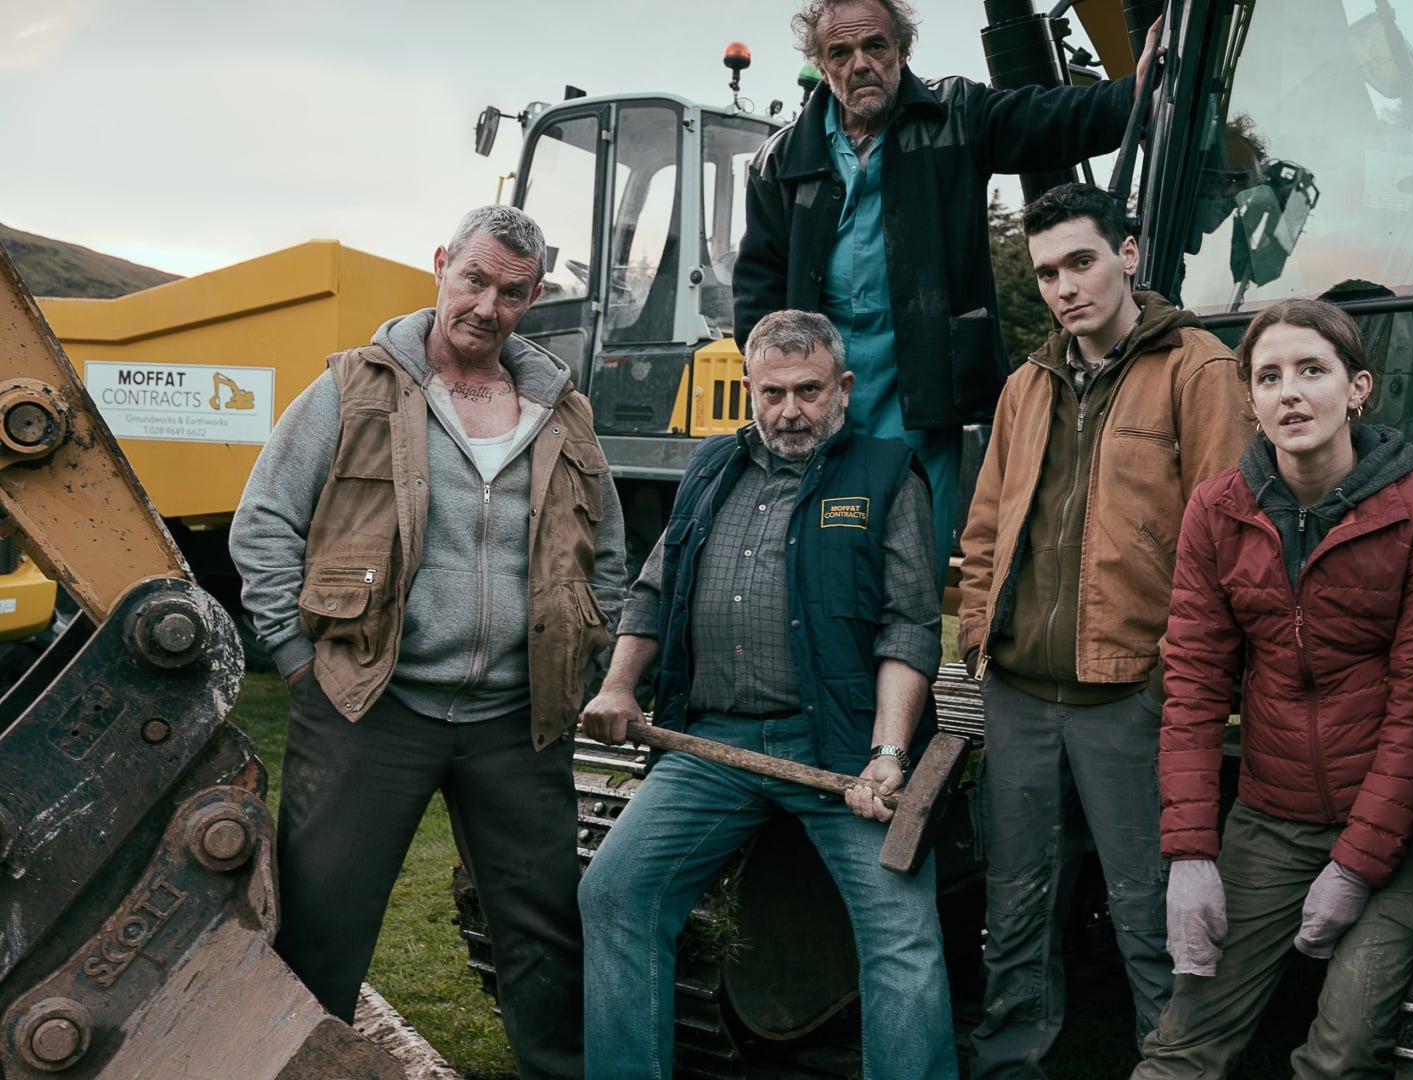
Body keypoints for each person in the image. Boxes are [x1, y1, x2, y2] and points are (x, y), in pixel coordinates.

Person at [230, 205, 626, 1080]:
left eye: (512, 293)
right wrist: (296, 661)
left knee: (546, 932)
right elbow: (263, 525)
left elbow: (606, 556)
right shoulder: (353, 388)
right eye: (474, 280)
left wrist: (581, 665)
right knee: (321, 927)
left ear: (533, 299)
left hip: (518, 720)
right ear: (443, 265)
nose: (487, 306)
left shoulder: (562, 412)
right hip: (371, 705)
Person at [574, 309, 953, 1080]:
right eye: (772, 393)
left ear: (843, 388)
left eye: (809, 390)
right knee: (615, 892)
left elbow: (909, 626)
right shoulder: (712, 465)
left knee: (901, 935)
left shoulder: (886, 474)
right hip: (711, 747)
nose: (790, 411)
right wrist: (619, 687)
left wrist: (887, 752)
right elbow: (654, 590)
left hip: (842, 753)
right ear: (749, 388)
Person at [956, 182, 1255, 1076]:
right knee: (1013, 912)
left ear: (1128, 254)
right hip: (1019, 693)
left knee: (1153, 918)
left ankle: (1172, 1068)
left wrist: (1169, 680)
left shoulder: (1199, 370)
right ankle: (1012, 1069)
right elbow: (984, 526)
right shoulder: (1027, 384)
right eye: (1047, 272)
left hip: (1130, 697)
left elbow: (1231, 544)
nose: (1064, 287)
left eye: (1081, 262)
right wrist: (977, 633)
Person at [1132, 298, 1413, 1078]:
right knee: (1185, 1044)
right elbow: (1194, 686)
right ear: (1250, 399)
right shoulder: (1218, 509)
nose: (1291, 393)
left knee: (1341, 1053)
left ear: (1358, 388)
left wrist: (1355, 867)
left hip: (1397, 829)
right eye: (1270, 376)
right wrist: (1190, 855)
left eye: (1313, 370)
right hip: (1271, 817)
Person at [734, 0, 1161, 559]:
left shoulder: (954, 113)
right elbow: (758, 284)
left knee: (912, 549)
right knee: (816, 552)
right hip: (818, 387)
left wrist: (1137, 91)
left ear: (902, 49)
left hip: (921, 383)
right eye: (840, 53)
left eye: (875, 46)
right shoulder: (779, 161)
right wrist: (775, 379)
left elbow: (1049, 119)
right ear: (822, 63)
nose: (860, 64)